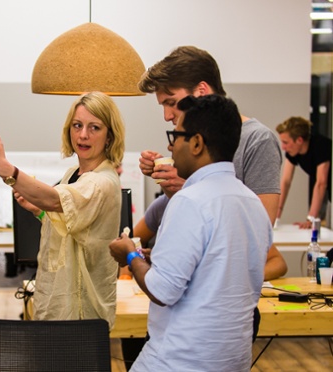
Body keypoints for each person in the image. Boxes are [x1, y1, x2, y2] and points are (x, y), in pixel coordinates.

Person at [118, 45, 287, 370]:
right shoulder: (195, 171)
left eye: (170, 102)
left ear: (201, 92)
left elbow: (254, 237)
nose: (167, 116)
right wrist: (174, 185)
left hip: (207, 332)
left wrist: (187, 190)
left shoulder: (258, 141)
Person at [0, 91, 124, 328]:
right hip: (56, 304)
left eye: (94, 128)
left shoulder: (101, 182)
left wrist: (5, 169)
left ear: (109, 136)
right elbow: (70, 227)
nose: (83, 135)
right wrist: (38, 211)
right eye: (77, 125)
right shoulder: (74, 174)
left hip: (81, 315)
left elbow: (53, 200)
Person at [275, 116, 332, 229]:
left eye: (285, 142)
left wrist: (310, 219)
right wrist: (276, 216)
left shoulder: (321, 145)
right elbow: (286, 182)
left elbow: (321, 183)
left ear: (299, 140)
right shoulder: (294, 152)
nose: (283, 147)